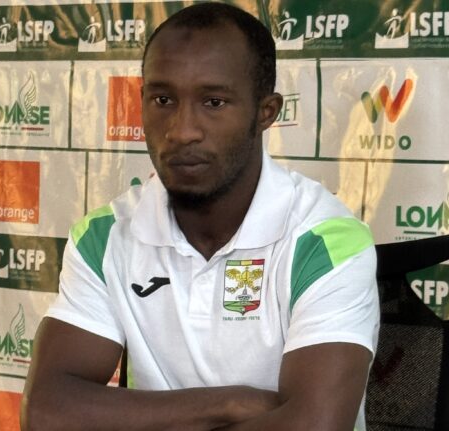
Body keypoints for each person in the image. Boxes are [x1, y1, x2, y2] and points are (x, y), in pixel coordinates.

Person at [20, 3, 379, 430]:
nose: (181, 130)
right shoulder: (106, 236)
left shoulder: (326, 240)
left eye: (213, 102)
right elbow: (45, 413)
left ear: (266, 112)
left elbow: (316, 427)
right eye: (163, 100)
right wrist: (230, 404)